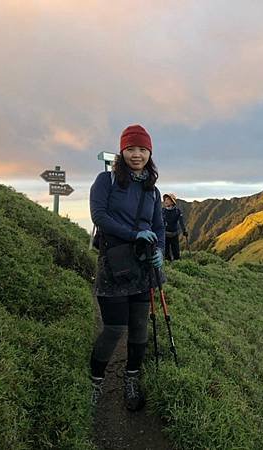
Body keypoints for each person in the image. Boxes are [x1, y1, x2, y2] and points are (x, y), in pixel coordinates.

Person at [89, 124, 165, 411]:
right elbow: (99, 216)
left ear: (150, 153)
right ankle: (95, 381)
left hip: (143, 266)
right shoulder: (106, 181)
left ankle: (131, 380)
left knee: (139, 329)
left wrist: (158, 249)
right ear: (122, 151)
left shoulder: (153, 191)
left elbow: (158, 226)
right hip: (113, 263)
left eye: (142, 149)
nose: (137, 154)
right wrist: (134, 235)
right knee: (114, 328)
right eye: (131, 149)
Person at [162, 192, 188, 261]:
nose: (166, 201)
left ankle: (177, 264)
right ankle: (169, 266)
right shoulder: (162, 211)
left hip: (174, 235)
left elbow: (181, 222)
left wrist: (184, 231)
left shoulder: (177, 211)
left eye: (168, 199)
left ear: (172, 202)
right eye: (165, 199)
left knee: (176, 253)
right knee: (166, 253)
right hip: (165, 235)